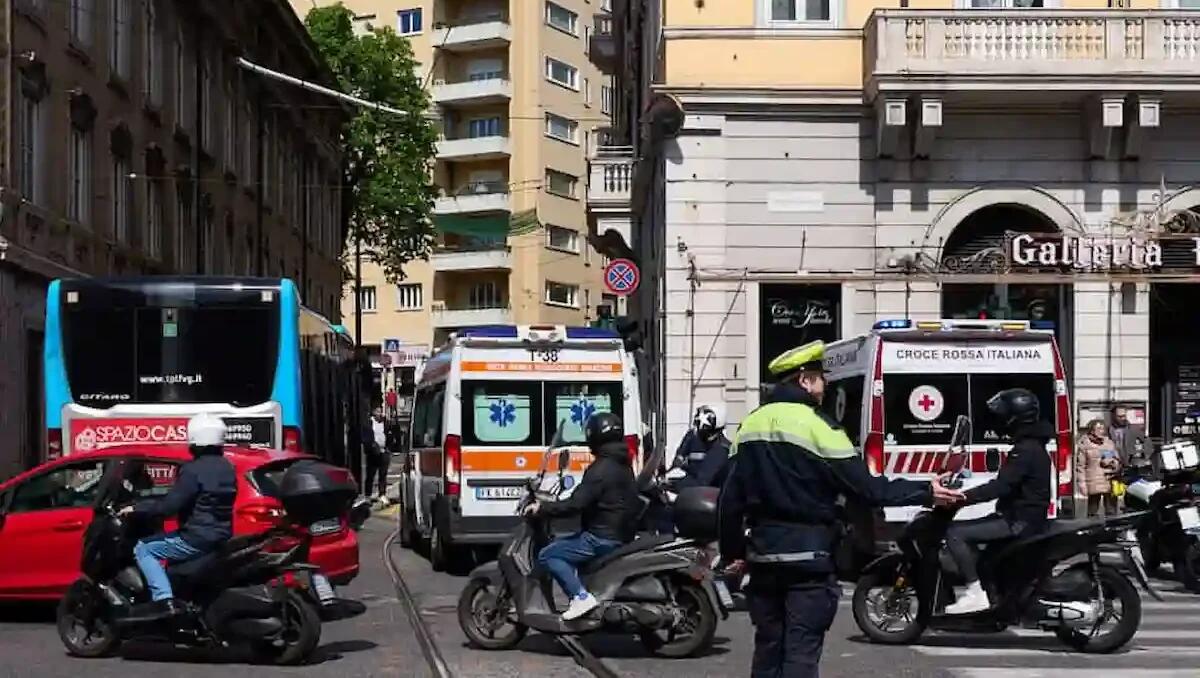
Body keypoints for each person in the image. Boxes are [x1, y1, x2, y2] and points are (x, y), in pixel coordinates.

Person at [719, 340, 962, 678]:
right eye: (820, 378)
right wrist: (926, 491)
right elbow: (868, 489)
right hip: (809, 558)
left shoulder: (748, 426)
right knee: (801, 654)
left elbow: (728, 502)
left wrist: (734, 552)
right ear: (804, 380)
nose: (825, 385)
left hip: (764, 558)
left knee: (768, 650)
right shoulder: (821, 427)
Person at [942, 388, 1054, 615]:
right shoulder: (1032, 446)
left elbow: (1001, 486)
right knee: (986, 559)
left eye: (1004, 416)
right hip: (1023, 517)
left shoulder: (1025, 450)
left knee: (955, 533)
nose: (1000, 421)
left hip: (1018, 521)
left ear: (1015, 417)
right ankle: (996, 600)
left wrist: (962, 498)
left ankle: (975, 594)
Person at [120, 413, 237, 620]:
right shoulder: (227, 467)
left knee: (144, 548)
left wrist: (137, 509)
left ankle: (164, 603)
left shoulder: (193, 470)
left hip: (196, 538)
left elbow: (169, 507)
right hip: (222, 536)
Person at [526, 412, 639, 621]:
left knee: (550, 554)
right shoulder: (622, 462)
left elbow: (577, 503)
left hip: (602, 537)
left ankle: (580, 597)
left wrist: (543, 508)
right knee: (568, 543)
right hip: (619, 532)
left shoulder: (600, 469)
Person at [669, 405, 732, 490]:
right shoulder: (693, 438)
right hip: (697, 493)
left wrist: (673, 485)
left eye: (701, 427)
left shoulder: (720, 449)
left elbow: (702, 482)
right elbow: (681, 457)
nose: (696, 431)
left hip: (710, 497)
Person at [1077, 418, 1120, 518]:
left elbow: (1117, 459)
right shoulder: (1085, 444)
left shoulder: (1109, 443)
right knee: (1092, 512)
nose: (1101, 431)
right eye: (1098, 428)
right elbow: (1080, 467)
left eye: (1102, 428)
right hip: (1093, 482)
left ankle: (1111, 531)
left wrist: (1113, 463)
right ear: (1092, 430)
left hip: (1109, 481)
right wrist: (1082, 484)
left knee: (1111, 512)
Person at [364, 408, 390, 501]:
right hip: (373, 453)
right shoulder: (369, 423)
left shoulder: (385, 422)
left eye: (381, 411)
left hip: (384, 452)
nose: (380, 414)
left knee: (383, 474)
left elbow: (389, 433)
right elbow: (366, 437)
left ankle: (382, 494)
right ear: (374, 412)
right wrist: (372, 446)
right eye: (378, 411)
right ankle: (368, 495)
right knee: (370, 474)